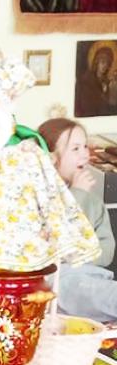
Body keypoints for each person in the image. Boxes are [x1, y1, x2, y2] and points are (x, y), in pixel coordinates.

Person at [39, 117, 117, 322]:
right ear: (51, 158)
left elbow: (107, 252)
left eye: (84, 146)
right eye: (75, 149)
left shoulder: (93, 201)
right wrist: (76, 196)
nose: (84, 154)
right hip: (55, 281)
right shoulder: (38, 195)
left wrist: (76, 257)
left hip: (92, 278)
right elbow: (48, 248)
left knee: (106, 294)